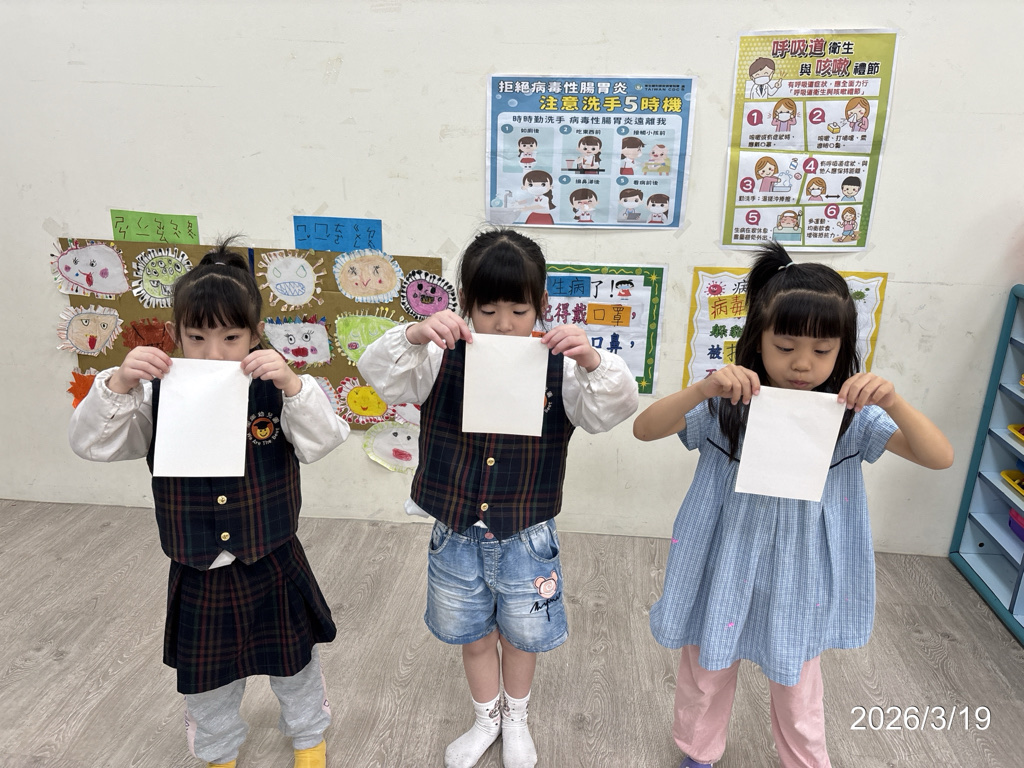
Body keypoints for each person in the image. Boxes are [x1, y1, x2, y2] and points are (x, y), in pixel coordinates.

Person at [633, 241, 952, 768]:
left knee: (799, 688)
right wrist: (702, 389)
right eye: (784, 347)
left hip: (800, 573)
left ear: (843, 350)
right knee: (706, 673)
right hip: (723, 561)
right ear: (757, 340)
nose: (802, 364)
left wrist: (893, 401)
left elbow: (939, 457)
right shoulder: (728, 404)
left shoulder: (850, 416)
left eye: (822, 351)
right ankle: (697, 753)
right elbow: (645, 430)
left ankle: (805, 761)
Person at [358, 229, 638, 768]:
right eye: (488, 309)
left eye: (519, 309)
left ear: (542, 305)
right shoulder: (439, 357)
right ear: (466, 303)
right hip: (456, 533)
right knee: (473, 635)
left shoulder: (561, 367)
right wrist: (415, 332)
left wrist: (591, 361)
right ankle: (486, 719)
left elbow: (610, 410)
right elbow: (381, 374)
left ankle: (517, 719)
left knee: (523, 637)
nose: (504, 323)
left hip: (527, 535)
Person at [68, 241, 350, 768]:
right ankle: (218, 750)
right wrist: (119, 382)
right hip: (198, 565)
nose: (213, 353)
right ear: (174, 333)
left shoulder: (277, 389)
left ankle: (309, 735)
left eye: (230, 338)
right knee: (206, 681)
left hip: (272, 556)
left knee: (295, 663)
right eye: (196, 338)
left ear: (255, 334)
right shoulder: (153, 394)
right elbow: (93, 444)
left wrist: (292, 384)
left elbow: (323, 440)